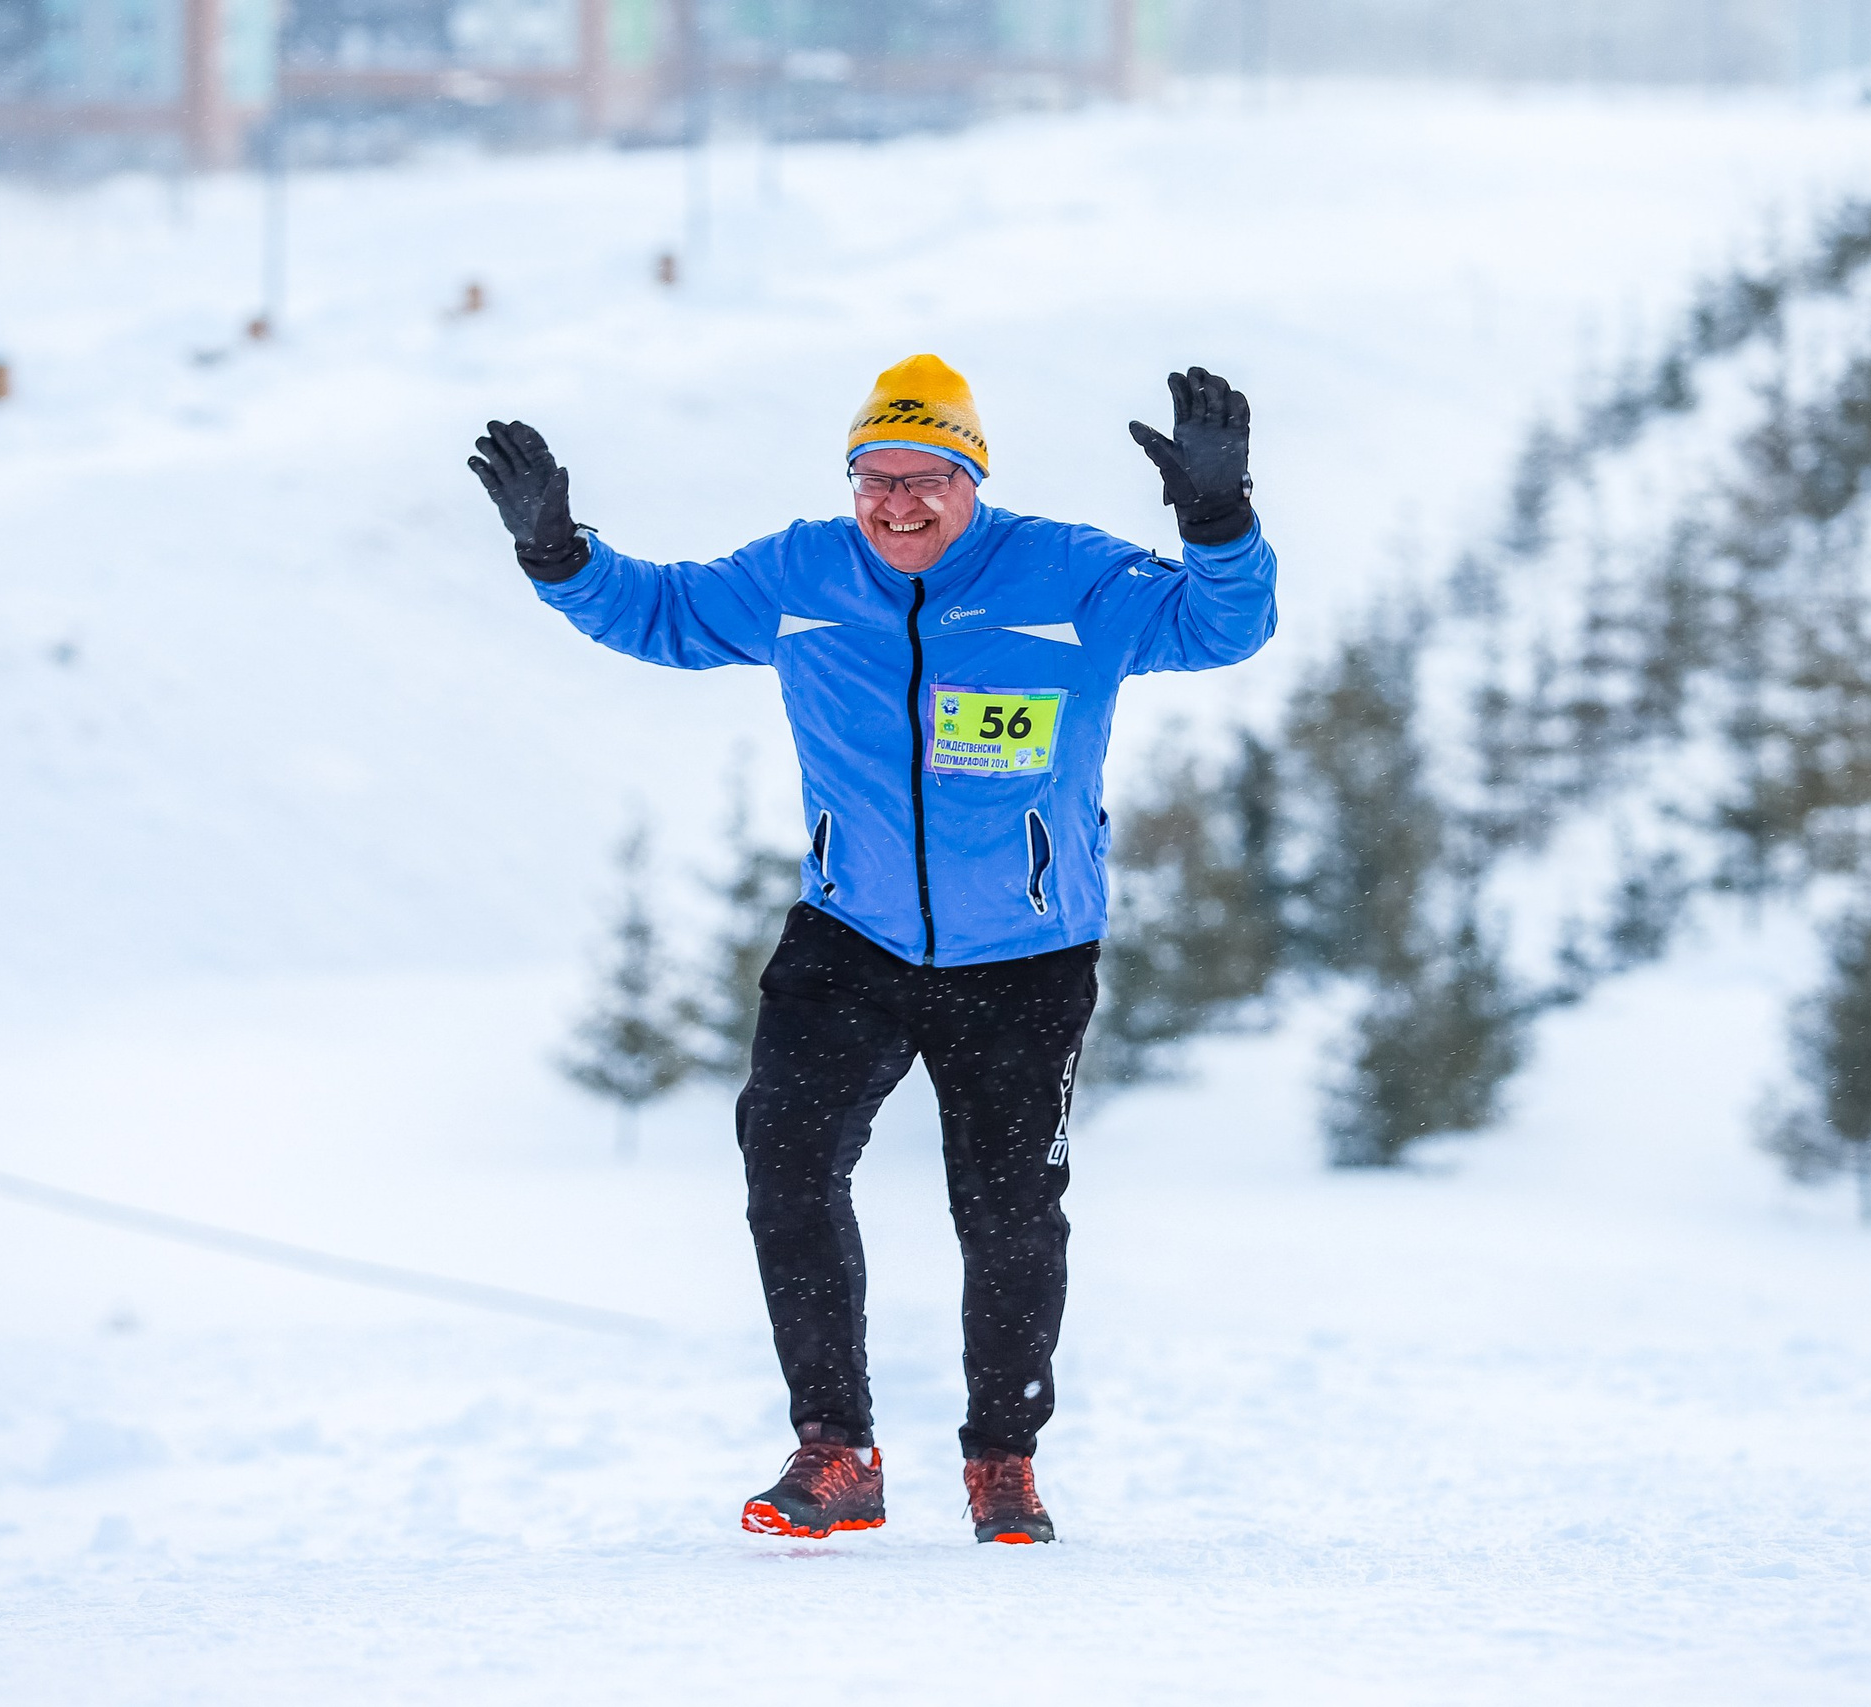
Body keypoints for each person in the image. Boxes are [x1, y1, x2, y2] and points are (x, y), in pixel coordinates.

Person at [469, 355, 1277, 1544]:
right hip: (851, 935)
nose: (897, 503)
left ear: (971, 478)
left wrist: (1218, 518)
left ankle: (1003, 1461)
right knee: (785, 1164)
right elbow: (665, 612)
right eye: (874, 480)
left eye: (925, 480)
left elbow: (1223, 628)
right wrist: (557, 552)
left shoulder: (1068, 577)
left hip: (1026, 951)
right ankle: (834, 1451)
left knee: (1007, 1209)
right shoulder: (803, 573)